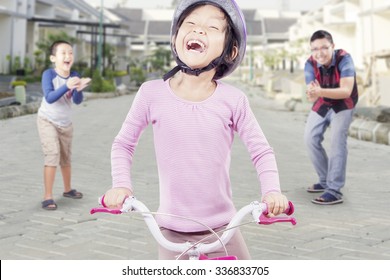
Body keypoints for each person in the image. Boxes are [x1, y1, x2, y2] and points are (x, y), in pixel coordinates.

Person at [103, 0, 289, 259]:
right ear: (176, 37)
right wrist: (121, 185)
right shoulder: (151, 93)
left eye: (212, 27)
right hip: (169, 230)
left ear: (230, 51)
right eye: (190, 23)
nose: (199, 30)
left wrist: (271, 191)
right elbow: (123, 144)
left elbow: (261, 151)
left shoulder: (233, 100)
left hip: (223, 227)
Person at [304, 30, 358, 205]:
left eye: (324, 47)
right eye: (315, 49)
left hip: (344, 103)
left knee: (337, 141)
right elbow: (312, 95)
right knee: (310, 138)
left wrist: (318, 92)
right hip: (323, 101)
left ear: (332, 47)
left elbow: (346, 90)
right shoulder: (310, 63)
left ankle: (334, 190)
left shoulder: (345, 59)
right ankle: (325, 181)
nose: (319, 52)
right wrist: (312, 93)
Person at [37, 40, 91, 210]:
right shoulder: (49, 74)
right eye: (63, 53)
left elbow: (76, 100)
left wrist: (78, 89)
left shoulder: (74, 74)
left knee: (66, 157)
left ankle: (68, 189)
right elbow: (49, 97)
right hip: (47, 120)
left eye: (70, 53)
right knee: (52, 154)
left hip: (66, 123)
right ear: (53, 58)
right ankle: (47, 196)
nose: (68, 56)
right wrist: (67, 86)